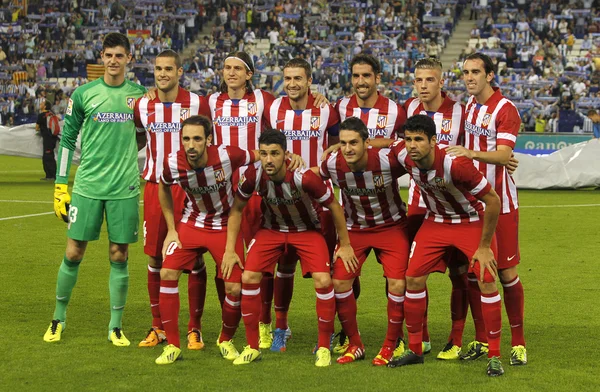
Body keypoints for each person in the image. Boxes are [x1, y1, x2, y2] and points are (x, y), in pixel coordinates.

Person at [43, 32, 147, 346]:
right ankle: (57, 319)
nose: (113, 61)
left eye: (119, 55)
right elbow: (67, 140)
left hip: (124, 187)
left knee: (119, 254)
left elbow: (146, 135)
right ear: (101, 58)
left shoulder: (140, 97)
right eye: (108, 55)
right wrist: (61, 185)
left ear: (129, 58)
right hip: (88, 186)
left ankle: (115, 326)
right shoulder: (84, 94)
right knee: (73, 252)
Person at [222, 129, 355, 367]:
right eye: (263, 154)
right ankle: (252, 346)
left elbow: (334, 206)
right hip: (271, 230)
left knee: (324, 281)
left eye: (274, 154)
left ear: (286, 154)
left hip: (306, 231)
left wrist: (344, 245)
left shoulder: (304, 177)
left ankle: (324, 346)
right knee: (249, 276)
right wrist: (230, 250)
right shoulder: (253, 174)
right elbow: (237, 210)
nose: (268, 159)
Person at [386, 114, 505, 377]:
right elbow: (384, 144)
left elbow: (493, 200)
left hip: (470, 221)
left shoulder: (456, 164)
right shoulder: (404, 155)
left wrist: (484, 247)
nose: (412, 145)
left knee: (486, 279)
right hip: (436, 222)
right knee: (413, 279)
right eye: (408, 139)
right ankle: (416, 350)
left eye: (419, 139)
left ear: (433, 141)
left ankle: (495, 356)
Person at [154, 115, 257, 365]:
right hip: (192, 224)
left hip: (225, 226)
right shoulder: (172, 163)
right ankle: (173, 345)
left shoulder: (227, 155)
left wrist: (289, 158)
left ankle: (225, 339)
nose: (191, 145)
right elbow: (163, 186)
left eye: (197, 139)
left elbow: (259, 155)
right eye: (186, 139)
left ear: (208, 140)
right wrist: (171, 229)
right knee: (167, 272)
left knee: (234, 287)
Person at [446, 53, 527, 367]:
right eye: (465, 72)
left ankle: (518, 343)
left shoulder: (506, 110)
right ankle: (481, 340)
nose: (469, 77)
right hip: (471, 204)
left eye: (475, 72)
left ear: (490, 75)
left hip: (501, 204)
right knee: (474, 274)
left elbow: (504, 152)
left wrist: (474, 153)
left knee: (505, 273)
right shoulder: (468, 106)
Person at [134, 50, 212, 350]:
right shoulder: (143, 104)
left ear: (180, 72)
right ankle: (158, 326)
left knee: (192, 259)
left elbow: (209, 141)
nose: (162, 74)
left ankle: (194, 328)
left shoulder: (196, 103)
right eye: (158, 69)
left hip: (189, 187)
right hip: (155, 186)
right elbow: (139, 137)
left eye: (169, 69)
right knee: (154, 257)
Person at [319, 117, 410, 366]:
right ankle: (355, 343)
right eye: (343, 143)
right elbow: (318, 184)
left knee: (398, 285)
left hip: (391, 227)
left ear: (367, 143)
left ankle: (392, 343)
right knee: (339, 282)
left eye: (354, 143)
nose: (348, 149)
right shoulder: (332, 164)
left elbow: (415, 158)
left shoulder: (387, 161)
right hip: (354, 230)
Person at [263, 58, 340, 351]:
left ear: (310, 81)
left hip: (320, 199)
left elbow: (337, 143)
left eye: (298, 78)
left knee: (329, 269)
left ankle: (334, 330)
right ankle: (281, 327)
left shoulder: (325, 109)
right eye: (288, 78)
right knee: (284, 265)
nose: (292, 83)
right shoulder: (273, 109)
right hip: (282, 200)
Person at [404, 57, 471, 360]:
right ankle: (423, 337)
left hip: (454, 206)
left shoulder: (460, 112)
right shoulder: (408, 109)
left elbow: (470, 153)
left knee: (460, 274)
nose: (423, 86)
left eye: (429, 80)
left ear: (441, 82)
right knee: (415, 274)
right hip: (419, 205)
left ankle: (456, 337)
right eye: (418, 80)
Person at [336, 54, 407, 140]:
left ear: (377, 78)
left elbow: (405, 144)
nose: (360, 82)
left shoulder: (396, 111)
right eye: (356, 76)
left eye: (366, 75)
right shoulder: (340, 106)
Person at [36, 101, 60, 181]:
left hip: (47, 138)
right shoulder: (51, 114)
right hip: (53, 138)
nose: (40, 105)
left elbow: (36, 128)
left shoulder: (41, 115)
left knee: (48, 157)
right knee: (49, 156)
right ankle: (49, 175)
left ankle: (51, 176)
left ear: (45, 106)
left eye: (41, 104)